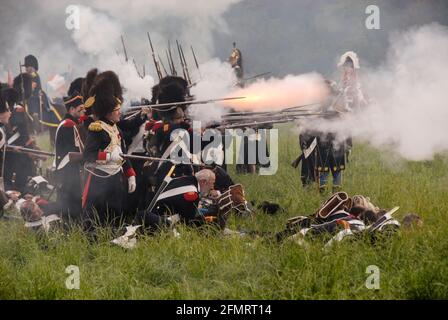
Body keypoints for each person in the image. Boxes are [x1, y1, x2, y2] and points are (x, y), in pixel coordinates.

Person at [82, 71, 136, 229]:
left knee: (116, 212)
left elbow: (122, 154)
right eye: (117, 109)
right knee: (97, 217)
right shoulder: (96, 128)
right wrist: (108, 157)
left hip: (115, 178)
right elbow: (89, 155)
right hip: (99, 179)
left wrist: (130, 173)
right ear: (109, 111)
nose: (120, 112)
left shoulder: (115, 128)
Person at [54, 92, 85, 222]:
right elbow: (72, 151)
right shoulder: (68, 125)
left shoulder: (70, 123)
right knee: (70, 200)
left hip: (68, 167)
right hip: (68, 168)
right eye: (80, 109)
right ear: (72, 109)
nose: (84, 111)